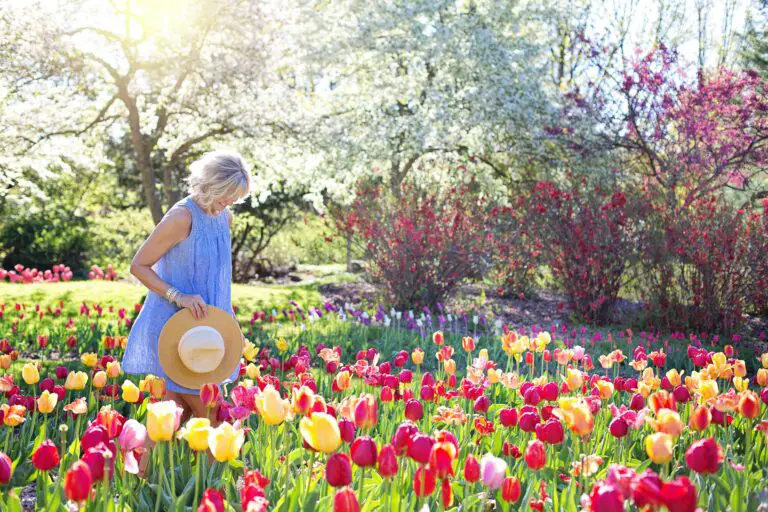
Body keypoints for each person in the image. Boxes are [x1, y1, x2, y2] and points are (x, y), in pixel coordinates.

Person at [122, 149, 251, 422]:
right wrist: (178, 296)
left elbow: (218, 282)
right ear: (210, 184)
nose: (229, 202)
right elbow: (139, 265)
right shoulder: (182, 217)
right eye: (226, 193)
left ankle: (129, 465)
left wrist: (229, 323)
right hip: (179, 332)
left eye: (235, 197)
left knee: (173, 419)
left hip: (207, 331)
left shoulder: (224, 218)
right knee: (216, 421)